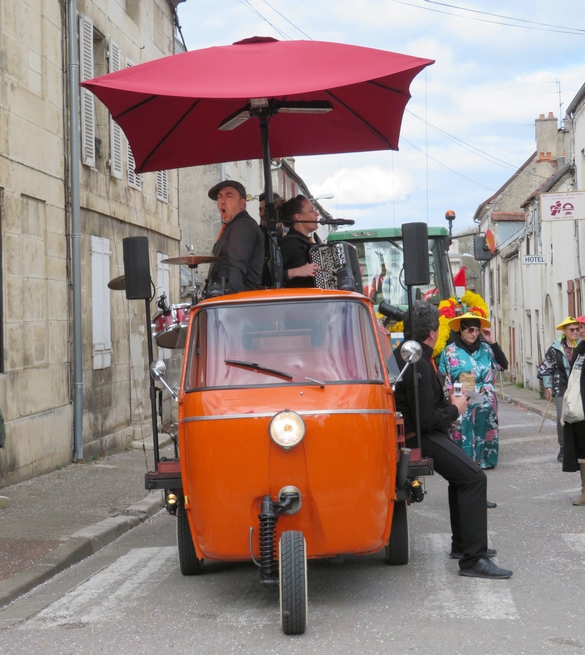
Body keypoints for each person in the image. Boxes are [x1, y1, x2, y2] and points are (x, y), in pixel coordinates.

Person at [394, 300, 513, 579]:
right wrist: (456, 408)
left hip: (424, 432)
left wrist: (447, 402)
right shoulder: (418, 362)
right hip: (420, 437)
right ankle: (473, 559)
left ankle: (463, 546)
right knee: (474, 478)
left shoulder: (412, 356)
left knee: (463, 477)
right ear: (433, 333)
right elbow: (425, 421)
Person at [439, 310, 508, 472]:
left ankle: (484, 460)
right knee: (462, 429)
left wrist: (493, 342)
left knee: (484, 427)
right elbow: (444, 377)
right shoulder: (450, 351)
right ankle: (463, 461)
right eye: (470, 329)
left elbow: (502, 365)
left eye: (477, 330)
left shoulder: (486, 349)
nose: (474, 333)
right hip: (461, 395)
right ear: (461, 329)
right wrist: (449, 399)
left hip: (485, 399)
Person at [204, 180, 264, 296]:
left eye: (228, 196)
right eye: (219, 197)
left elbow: (237, 268)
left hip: (236, 305)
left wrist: (229, 302)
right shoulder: (232, 226)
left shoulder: (242, 226)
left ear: (242, 203)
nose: (222, 201)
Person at [537, 316, 582, 463]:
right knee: (563, 418)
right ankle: (563, 447)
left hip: (580, 386)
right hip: (561, 386)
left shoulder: (582, 345)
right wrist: (548, 385)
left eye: (578, 328)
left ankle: (579, 447)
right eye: (572, 329)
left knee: (579, 416)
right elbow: (546, 367)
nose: (575, 332)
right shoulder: (556, 348)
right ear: (564, 331)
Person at [562, 337, 585, 505]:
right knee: (581, 448)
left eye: (583, 327)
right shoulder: (580, 349)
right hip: (577, 406)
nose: (580, 330)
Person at [279, 195, 321, 288]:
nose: (317, 214)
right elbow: (266, 275)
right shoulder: (289, 243)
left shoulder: (308, 243)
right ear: (298, 217)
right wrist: (297, 271)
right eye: (311, 210)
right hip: (295, 300)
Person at [258, 192, 283, 288]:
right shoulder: (255, 234)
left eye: (266, 210)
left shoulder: (288, 236)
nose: (262, 214)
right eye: (260, 210)